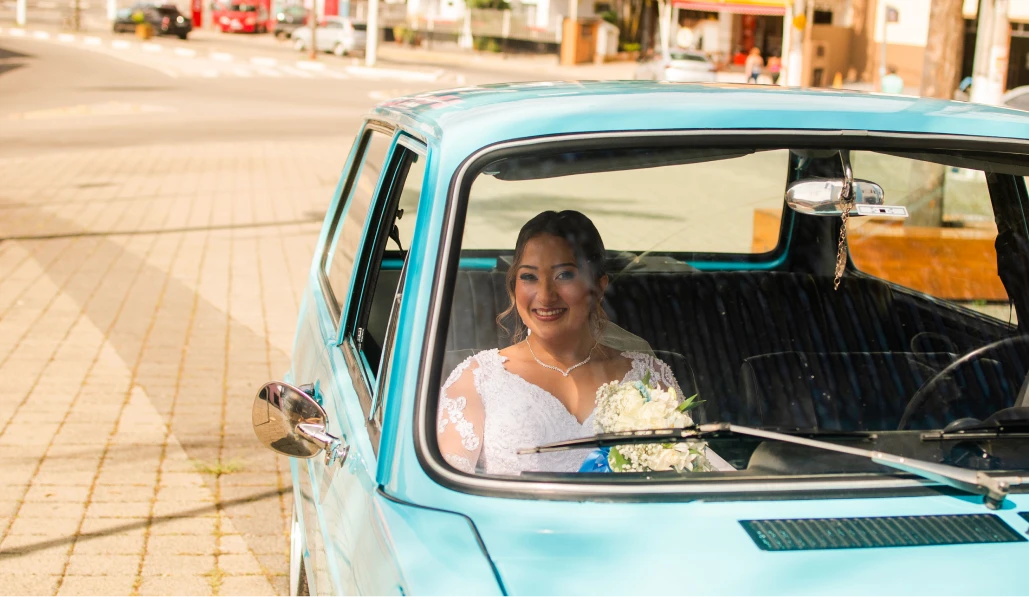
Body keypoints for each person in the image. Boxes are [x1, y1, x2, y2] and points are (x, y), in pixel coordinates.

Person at [435, 211, 690, 475]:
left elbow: (686, 471)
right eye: (529, 277)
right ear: (513, 285)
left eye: (564, 275)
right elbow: (445, 481)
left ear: (598, 287)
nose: (545, 296)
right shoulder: (477, 380)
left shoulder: (650, 377)